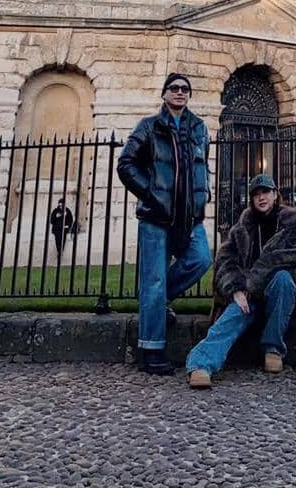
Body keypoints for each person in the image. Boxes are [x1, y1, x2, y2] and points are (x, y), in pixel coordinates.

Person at [117, 72, 212, 375]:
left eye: (185, 89)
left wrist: (203, 195)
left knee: (201, 259)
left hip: (189, 215)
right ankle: (151, 349)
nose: (180, 93)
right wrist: (150, 192)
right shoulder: (148, 126)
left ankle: (155, 304)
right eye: (174, 88)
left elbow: (201, 166)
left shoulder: (199, 128)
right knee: (154, 282)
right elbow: (125, 164)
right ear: (164, 94)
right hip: (156, 217)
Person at [186, 173, 296, 388]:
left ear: (275, 194)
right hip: (249, 297)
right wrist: (235, 289)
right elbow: (225, 260)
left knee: (282, 278)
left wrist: (250, 284)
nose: (261, 198)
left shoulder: (294, 224)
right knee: (234, 313)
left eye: (266, 192)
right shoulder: (242, 227)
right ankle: (201, 364)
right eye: (256, 194)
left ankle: (273, 349)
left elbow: (286, 258)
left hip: (280, 296)